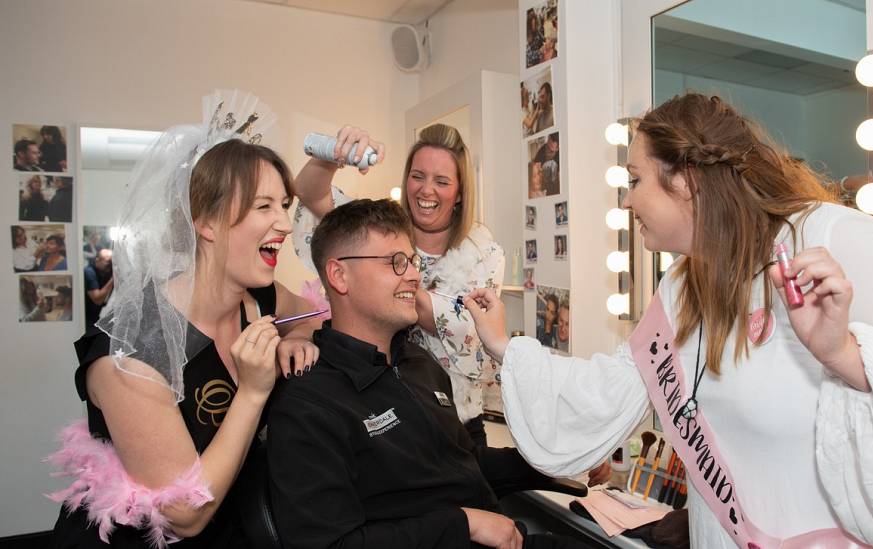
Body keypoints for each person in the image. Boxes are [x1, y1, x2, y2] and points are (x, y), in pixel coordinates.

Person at [464, 93, 873, 548]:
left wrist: (847, 355)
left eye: (635, 180)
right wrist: (504, 348)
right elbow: (610, 391)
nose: (628, 201)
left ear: (687, 181)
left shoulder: (832, 237)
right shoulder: (680, 287)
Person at [47, 90, 321, 548]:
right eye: (264, 207)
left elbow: (314, 314)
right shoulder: (131, 351)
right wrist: (253, 392)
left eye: (284, 206)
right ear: (207, 223)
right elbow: (184, 515)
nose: (286, 224)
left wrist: (301, 336)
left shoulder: (263, 297)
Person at [267, 198, 595, 549]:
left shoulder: (417, 363)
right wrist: (463, 524)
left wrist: (558, 460)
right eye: (395, 262)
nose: (413, 274)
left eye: (412, 261)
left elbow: (464, 463)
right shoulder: (310, 405)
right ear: (339, 275)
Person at [293, 123, 504, 447]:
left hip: (457, 425)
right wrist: (335, 152)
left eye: (442, 181)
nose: (426, 190)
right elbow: (310, 193)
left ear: (460, 192)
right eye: (417, 176)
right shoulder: (380, 232)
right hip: (385, 419)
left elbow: (470, 329)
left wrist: (384, 274)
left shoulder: (483, 253)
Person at [84, 249, 114, 328]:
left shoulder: (108, 271)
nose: (110, 265)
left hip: (102, 316)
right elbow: (97, 299)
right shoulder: (89, 272)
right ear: (97, 259)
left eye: (112, 262)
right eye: (108, 261)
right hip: (88, 318)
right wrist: (114, 278)